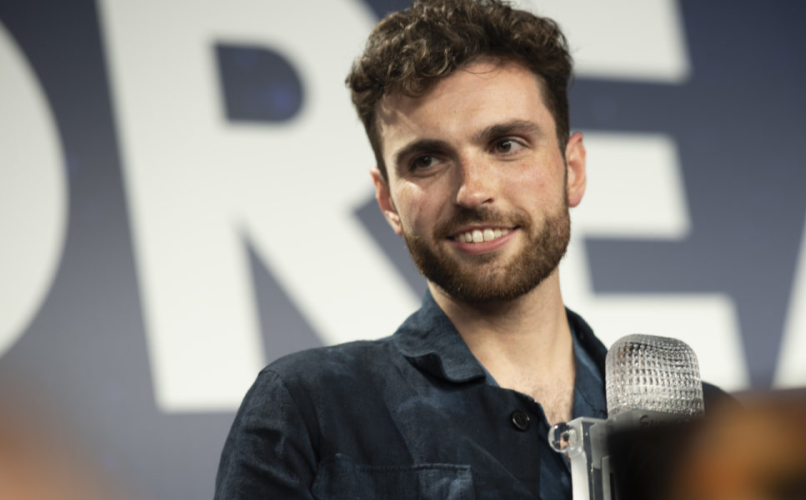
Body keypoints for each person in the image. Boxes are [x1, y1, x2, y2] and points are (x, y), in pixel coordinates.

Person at [214, 1, 725, 499]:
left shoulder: (710, 430)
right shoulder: (307, 412)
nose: (472, 191)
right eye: (426, 160)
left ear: (572, 170)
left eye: (506, 145)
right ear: (388, 201)